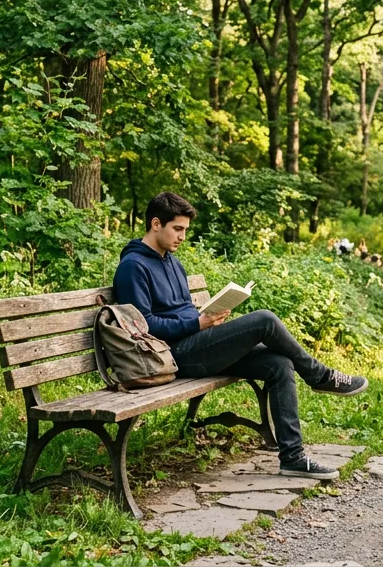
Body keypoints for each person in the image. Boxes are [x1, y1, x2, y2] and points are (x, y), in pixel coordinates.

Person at [114, 192, 368, 480]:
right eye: (178, 229)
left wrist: (212, 317)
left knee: (278, 364)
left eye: (186, 229)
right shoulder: (133, 267)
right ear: (156, 223)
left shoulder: (171, 260)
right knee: (265, 320)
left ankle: (292, 457)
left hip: (197, 345)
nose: (183, 236)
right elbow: (143, 326)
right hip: (171, 357)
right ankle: (320, 375)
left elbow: (182, 310)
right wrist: (199, 324)